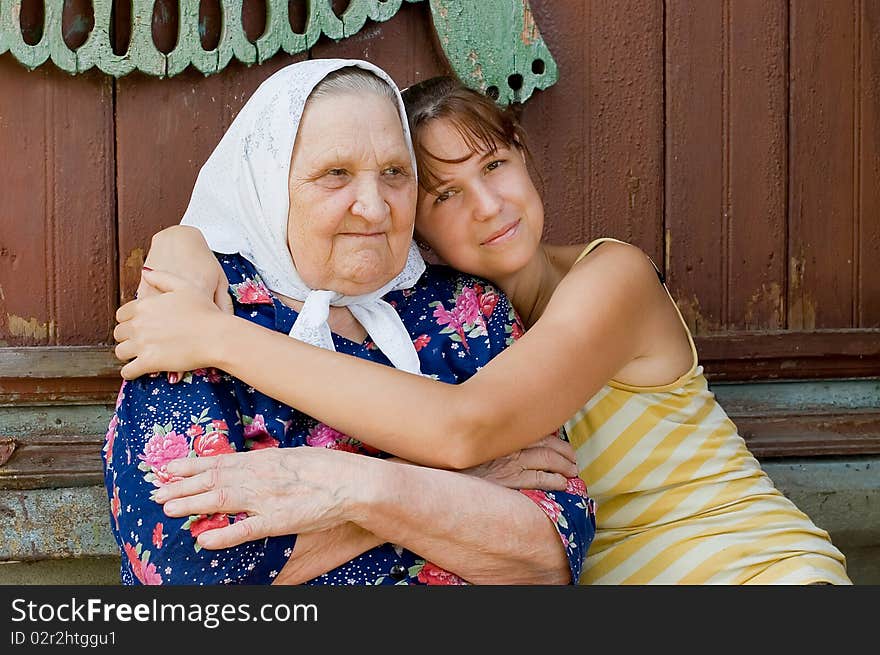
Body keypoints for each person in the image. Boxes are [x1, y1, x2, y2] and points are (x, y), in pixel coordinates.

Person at [117, 74, 851, 585]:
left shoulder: (610, 281)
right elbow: (187, 572)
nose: (489, 204)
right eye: (444, 192)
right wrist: (182, 241)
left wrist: (216, 339)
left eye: (495, 164)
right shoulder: (459, 319)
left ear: (525, 157)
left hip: (752, 570)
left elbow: (468, 432)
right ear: (418, 231)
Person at [103, 59, 596, 586]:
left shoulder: (468, 310)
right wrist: (455, 485)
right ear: (269, 183)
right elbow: (190, 574)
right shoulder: (204, 307)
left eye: (393, 173)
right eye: (335, 174)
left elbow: (552, 550)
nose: (373, 207)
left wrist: (358, 491)